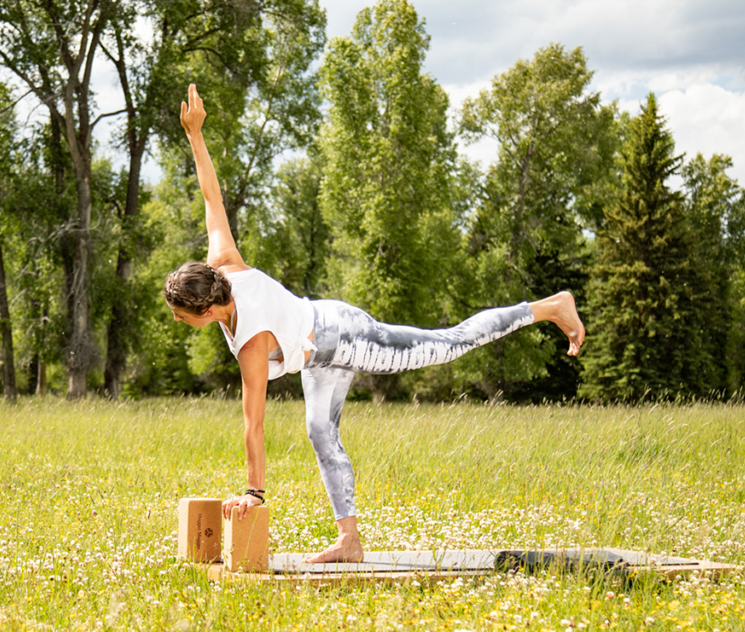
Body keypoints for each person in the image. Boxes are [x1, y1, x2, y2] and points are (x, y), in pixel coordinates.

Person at [165, 85, 586, 563]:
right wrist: (195, 134)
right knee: (320, 432)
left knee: (445, 344)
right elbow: (211, 196)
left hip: (343, 334)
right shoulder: (222, 262)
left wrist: (254, 495)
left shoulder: (252, 343)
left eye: (182, 316)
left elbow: (254, 424)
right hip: (317, 351)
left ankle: (549, 307)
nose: (179, 321)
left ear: (206, 308)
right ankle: (350, 541)